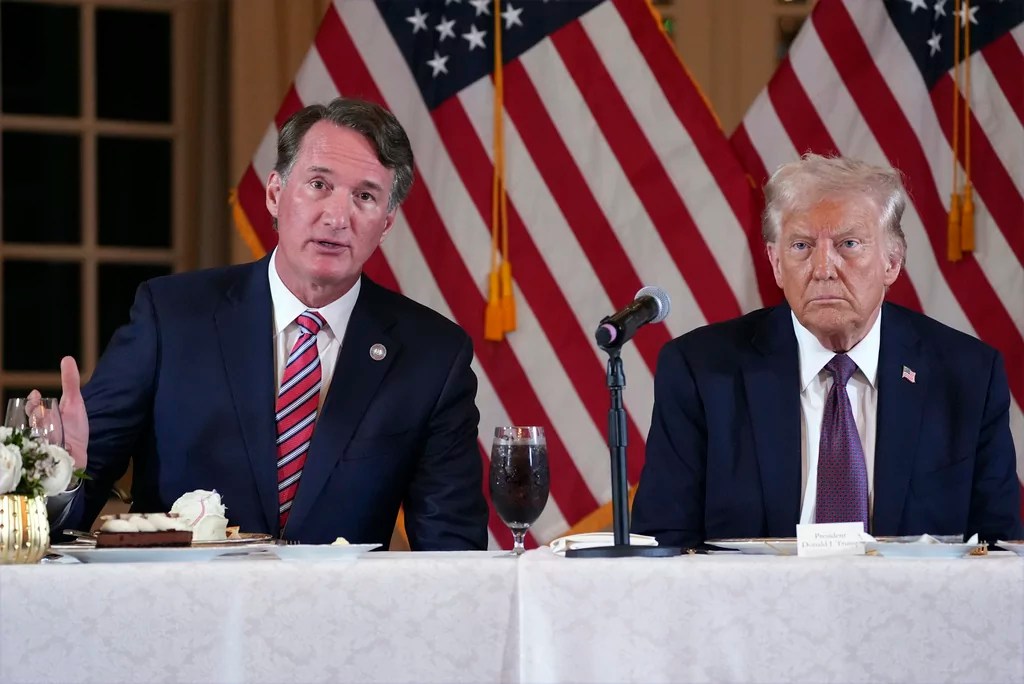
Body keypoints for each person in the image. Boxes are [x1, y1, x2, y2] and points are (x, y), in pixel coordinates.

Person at [49, 97, 488, 549]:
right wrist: (61, 477)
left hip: (341, 615)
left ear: (387, 222)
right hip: (183, 611)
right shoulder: (171, 316)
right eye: (319, 184)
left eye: (365, 196)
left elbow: (453, 552)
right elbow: (67, 506)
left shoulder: (432, 356)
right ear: (275, 194)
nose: (337, 217)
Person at [631, 153, 1023, 549]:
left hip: (914, 608)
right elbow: (662, 543)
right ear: (776, 263)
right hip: (752, 608)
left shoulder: (967, 376)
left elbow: (998, 551)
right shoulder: (702, 372)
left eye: (848, 244)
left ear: (892, 261)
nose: (822, 268)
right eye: (801, 246)